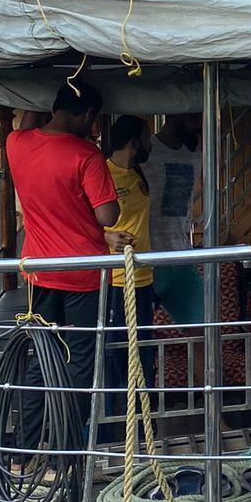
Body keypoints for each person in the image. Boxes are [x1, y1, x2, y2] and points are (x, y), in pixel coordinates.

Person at [5, 82, 118, 444]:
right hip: (83, 273)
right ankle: (68, 447)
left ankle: (25, 445)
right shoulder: (87, 155)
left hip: (40, 272)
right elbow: (108, 216)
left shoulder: (15, 144)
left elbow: (28, 117)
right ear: (87, 116)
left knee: (41, 360)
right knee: (81, 363)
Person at [104, 115, 157, 418]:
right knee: (118, 356)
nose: (151, 144)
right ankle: (115, 421)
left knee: (143, 353)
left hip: (143, 278)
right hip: (116, 280)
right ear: (134, 144)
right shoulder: (103, 174)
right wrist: (107, 236)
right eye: (147, 139)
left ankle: (141, 418)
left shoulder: (139, 173)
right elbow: (83, 220)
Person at [142, 114, 203, 326]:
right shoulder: (147, 150)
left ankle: (205, 361)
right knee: (138, 334)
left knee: (202, 328)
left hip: (180, 255)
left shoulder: (195, 155)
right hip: (146, 258)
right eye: (193, 118)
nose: (198, 124)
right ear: (173, 115)